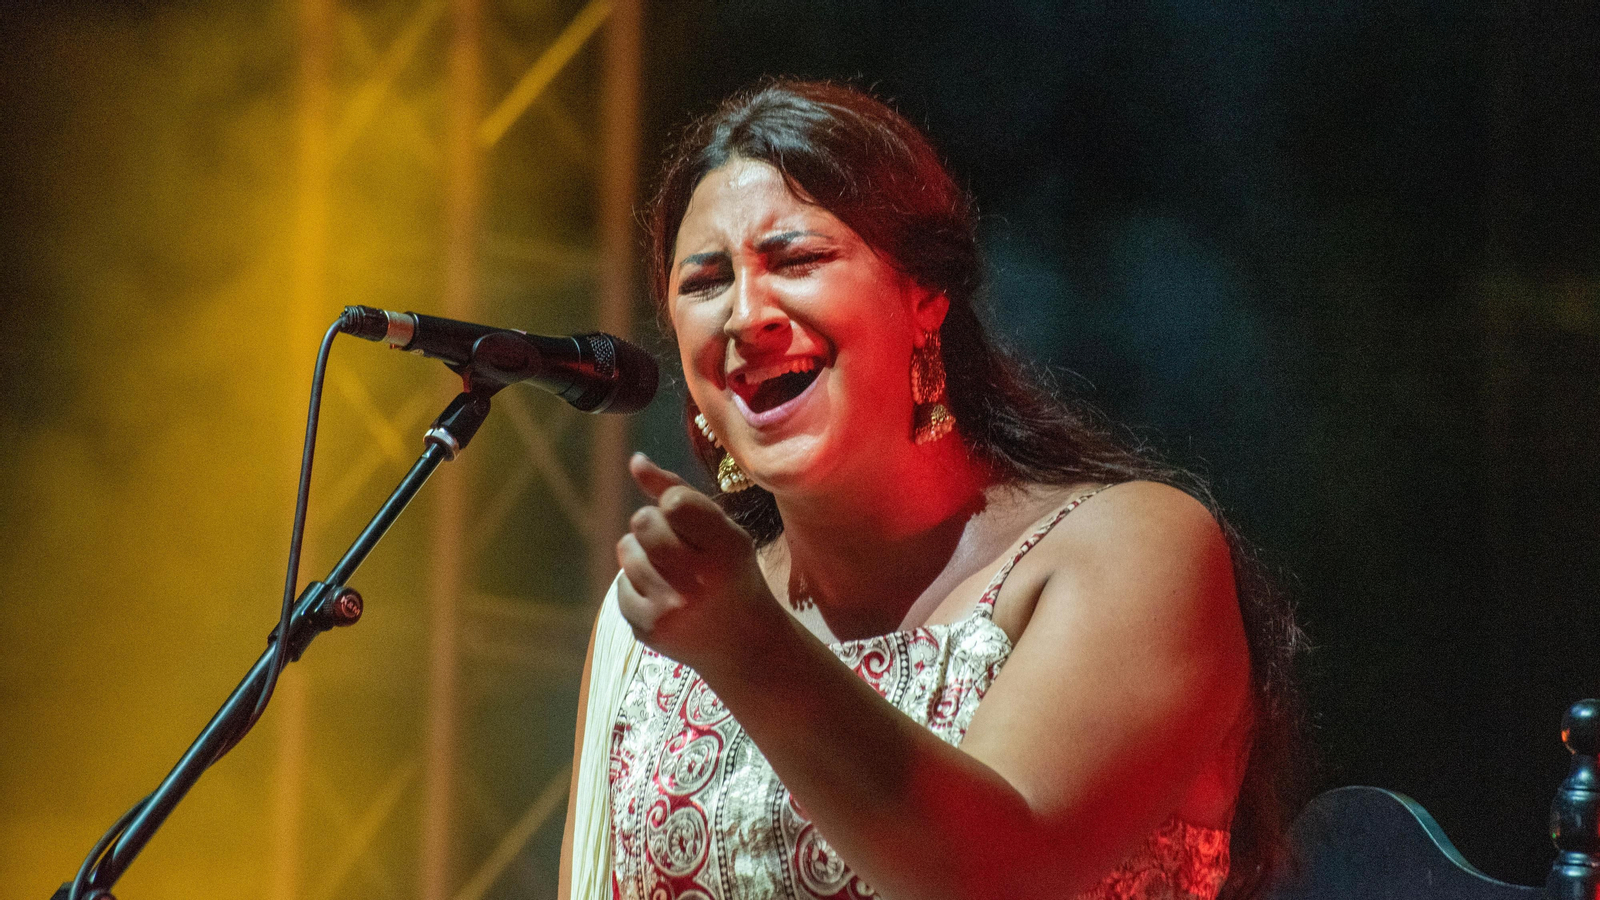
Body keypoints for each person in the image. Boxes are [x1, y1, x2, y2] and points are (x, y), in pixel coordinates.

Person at [559, 79, 1303, 900]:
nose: (746, 314)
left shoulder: (1127, 550)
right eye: (704, 283)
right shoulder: (656, 628)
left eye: (798, 260)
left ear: (926, 295)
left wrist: (752, 645)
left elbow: (997, 879)